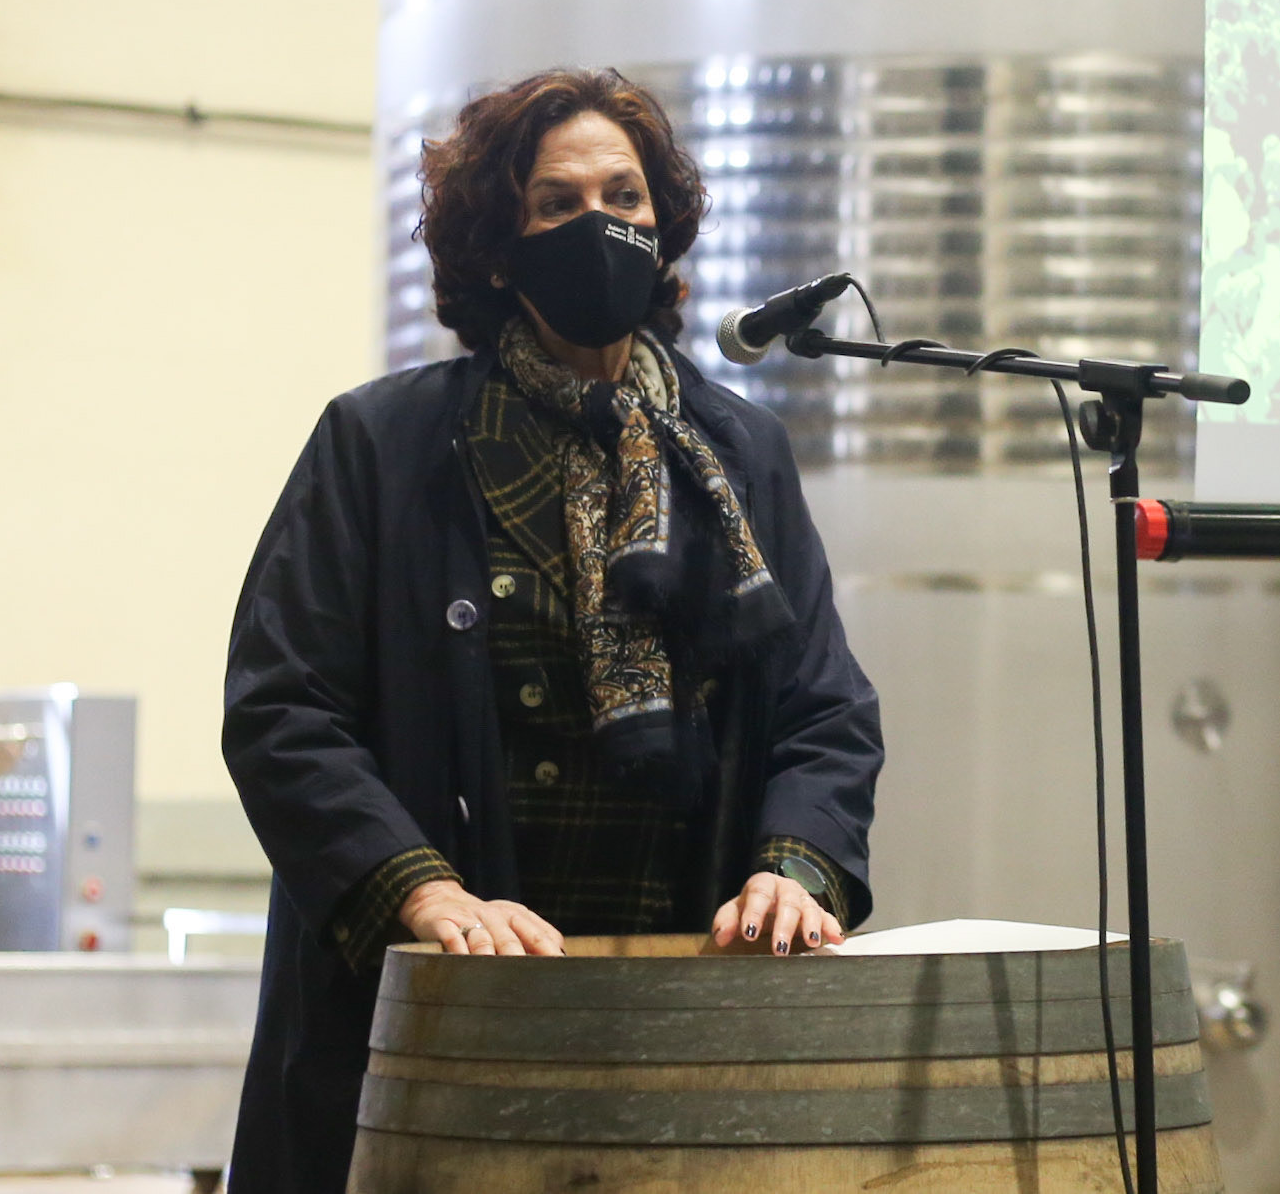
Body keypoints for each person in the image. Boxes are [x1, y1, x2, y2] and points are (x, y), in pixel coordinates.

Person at [222, 68, 883, 1193]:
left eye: (625, 197)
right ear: (497, 251)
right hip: (438, 1021)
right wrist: (421, 891)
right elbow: (281, 709)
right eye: (557, 204)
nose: (601, 225)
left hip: (671, 1027)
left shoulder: (738, 453)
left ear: (662, 226)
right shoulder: (382, 444)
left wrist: (794, 867)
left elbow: (824, 709)